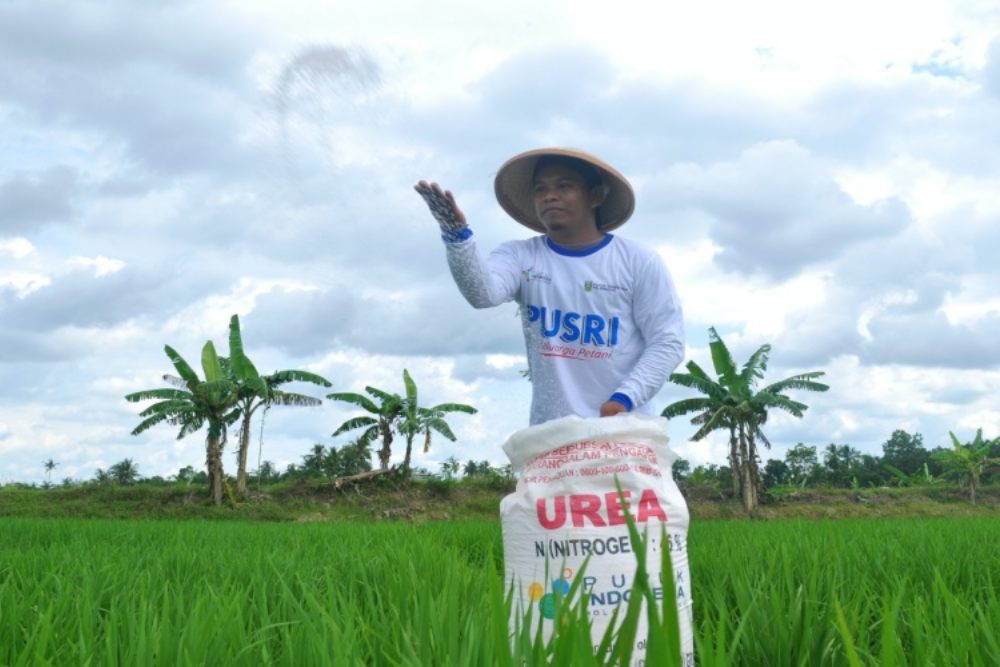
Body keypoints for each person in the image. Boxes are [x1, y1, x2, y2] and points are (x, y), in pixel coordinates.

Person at [415, 147, 684, 426]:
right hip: (549, 435)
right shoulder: (521, 256)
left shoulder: (638, 261)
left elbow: (668, 342)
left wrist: (624, 398)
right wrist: (456, 236)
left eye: (564, 186)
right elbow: (483, 294)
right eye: (540, 188)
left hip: (624, 430)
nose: (549, 196)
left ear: (595, 195)